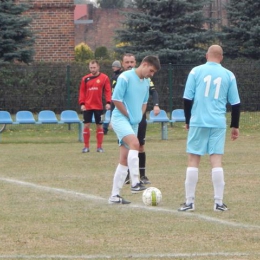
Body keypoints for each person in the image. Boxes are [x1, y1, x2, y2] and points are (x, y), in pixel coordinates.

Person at [178, 45, 240, 212]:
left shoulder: (195, 71)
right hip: (218, 123)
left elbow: (187, 98)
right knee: (216, 161)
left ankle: (189, 202)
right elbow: (235, 103)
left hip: (198, 121)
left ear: (206, 55)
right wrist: (235, 125)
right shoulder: (229, 74)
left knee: (193, 160)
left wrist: (188, 120)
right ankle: (218, 203)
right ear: (222, 57)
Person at [108, 55, 161, 204]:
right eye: (151, 70)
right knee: (135, 144)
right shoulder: (125, 77)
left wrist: (138, 116)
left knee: (124, 159)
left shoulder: (145, 82)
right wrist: (129, 115)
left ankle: (114, 196)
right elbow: (116, 100)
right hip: (120, 118)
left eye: (154, 72)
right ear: (144, 65)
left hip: (134, 122)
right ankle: (135, 182)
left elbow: (144, 103)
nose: (151, 74)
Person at [119, 53, 161, 185]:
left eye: (132, 62)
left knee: (140, 145)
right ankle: (126, 175)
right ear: (122, 64)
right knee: (126, 147)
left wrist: (155, 105)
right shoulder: (121, 78)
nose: (130, 64)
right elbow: (116, 99)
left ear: (136, 62)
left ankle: (141, 175)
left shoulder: (145, 79)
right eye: (127, 62)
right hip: (124, 118)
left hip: (139, 118)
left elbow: (152, 92)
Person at [78, 60, 111, 153]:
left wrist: (108, 102)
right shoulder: (85, 78)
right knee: (86, 125)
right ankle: (86, 147)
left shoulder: (104, 78)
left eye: (94, 67)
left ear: (98, 67)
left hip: (99, 106)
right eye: (91, 68)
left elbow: (108, 91)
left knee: (99, 126)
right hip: (87, 106)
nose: (92, 69)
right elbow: (82, 92)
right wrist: (82, 103)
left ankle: (99, 147)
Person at [103, 60, 123, 135]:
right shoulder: (115, 75)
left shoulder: (120, 76)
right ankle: (106, 128)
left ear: (118, 67)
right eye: (113, 66)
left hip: (118, 99)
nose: (113, 68)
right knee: (111, 114)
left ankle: (113, 127)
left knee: (115, 114)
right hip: (113, 98)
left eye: (114, 66)